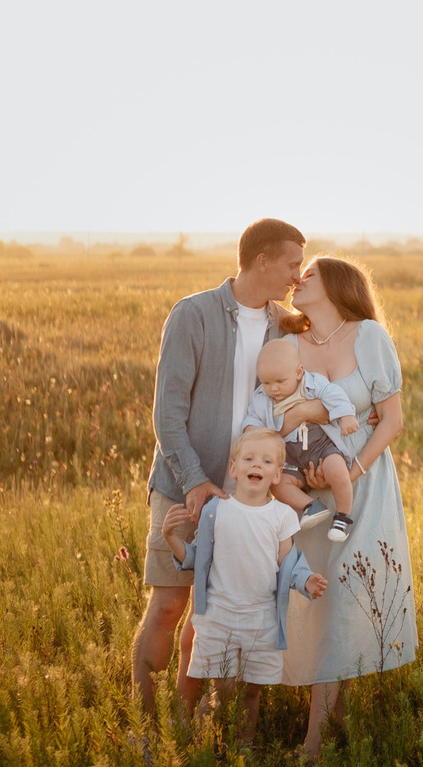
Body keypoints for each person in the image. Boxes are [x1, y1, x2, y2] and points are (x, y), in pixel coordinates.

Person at [131, 217, 307, 709]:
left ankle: (198, 723)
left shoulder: (285, 327)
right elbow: (167, 415)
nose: (298, 275)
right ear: (262, 260)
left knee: (217, 618)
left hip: (248, 497)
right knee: (169, 606)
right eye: (292, 264)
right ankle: (147, 729)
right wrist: (193, 481)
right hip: (183, 483)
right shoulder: (193, 314)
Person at [277, 254, 416, 760]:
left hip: (362, 487)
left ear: (335, 285)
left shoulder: (369, 336)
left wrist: (350, 473)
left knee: (347, 598)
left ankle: (313, 746)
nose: (298, 280)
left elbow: (392, 420)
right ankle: (336, 722)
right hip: (306, 494)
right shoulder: (288, 344)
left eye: (308, 275)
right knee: (320, 601)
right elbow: (275, 413)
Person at [161, 426, 329, 734]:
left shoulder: (281, 516)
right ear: (233, 468)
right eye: (249, 458)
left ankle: (244, 746)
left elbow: (288, 562)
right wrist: (170, 536)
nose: (256, 465)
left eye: (266, 462)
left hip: (261, 617)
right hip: (219, 615)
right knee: (223, 689)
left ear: (277, 475)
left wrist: (306, 581)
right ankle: (219, 744)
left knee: (251, 691)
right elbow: (197, 558)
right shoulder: (216, 511)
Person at [244, 335, 362, 542]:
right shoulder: (261, 398)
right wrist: (252, 431)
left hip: (321, 446)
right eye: (266, 382)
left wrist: (346, 416)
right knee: (277, 484)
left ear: (298, 372)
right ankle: (311, 505)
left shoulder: (311, 383)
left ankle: (343, 517)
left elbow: (333, 394)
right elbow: (252, 419)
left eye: (280, 381)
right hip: (289, 456)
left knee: (337, 470)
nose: (273, 389)